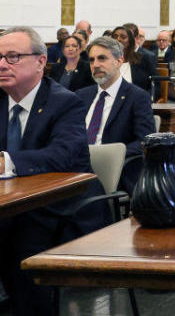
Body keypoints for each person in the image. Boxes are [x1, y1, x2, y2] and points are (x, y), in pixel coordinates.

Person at [0, 27, 109, 316]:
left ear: (40, 61)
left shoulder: (65, 102)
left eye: (12, 57)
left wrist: (7, 162)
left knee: (19, 243)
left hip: (58, 208)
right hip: (10, 205)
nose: (1, 64)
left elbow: (63, 155)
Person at [76, 37, 155, 194]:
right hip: (76, 166)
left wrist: (108, 154)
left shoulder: (137, 97)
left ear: (119, 61)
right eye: (91, 60)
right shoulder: (81, 96)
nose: (95, 65)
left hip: (114, 170)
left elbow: (145, 140)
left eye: (102, 58)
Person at [111, 25, 156, 92]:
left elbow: (156, 84)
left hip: (138, 99)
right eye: (115, 37)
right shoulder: (106, 60)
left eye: (123, 37)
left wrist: (146, 99)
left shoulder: (143, 59)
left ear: (130, 41)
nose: (118, 39)